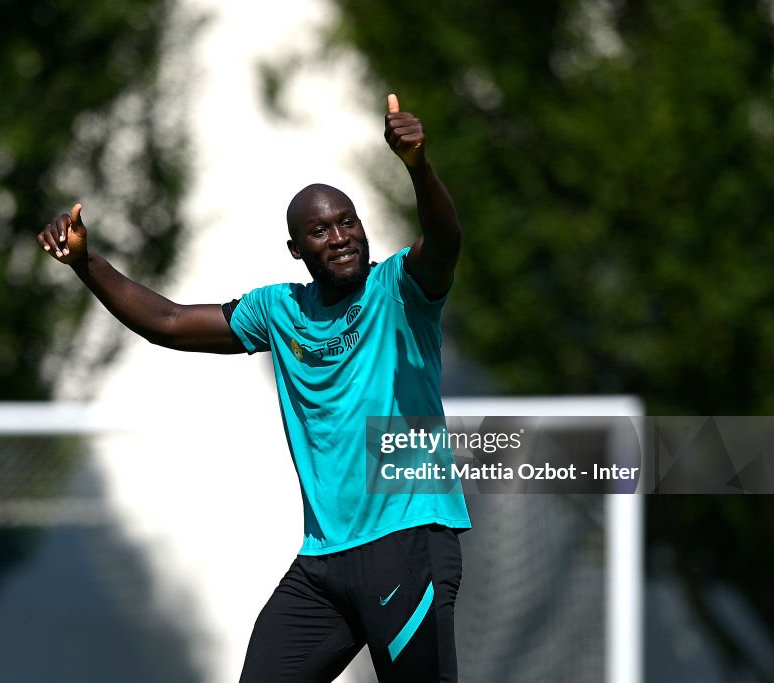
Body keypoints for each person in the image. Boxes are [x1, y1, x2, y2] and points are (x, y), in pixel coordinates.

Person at [37, 94, 470, 683]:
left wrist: (418, 165)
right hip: (323, 563)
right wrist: (87, 263)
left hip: (407, 543)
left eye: (348, 222)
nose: (339, 236)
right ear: (297, 250)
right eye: (319, 231)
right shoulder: (279, 309)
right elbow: (167, 321)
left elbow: (444, 241)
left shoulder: (400, 290)